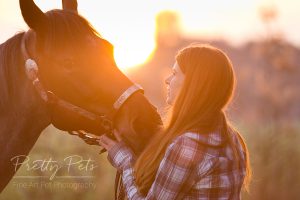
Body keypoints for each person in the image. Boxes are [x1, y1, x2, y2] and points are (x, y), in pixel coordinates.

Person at [98, 44, 251, 199]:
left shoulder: (188, 146)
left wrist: (125, 161)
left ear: (192, 84)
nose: (167, 80)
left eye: (174, 73)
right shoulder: (233, 139)